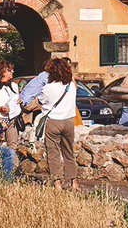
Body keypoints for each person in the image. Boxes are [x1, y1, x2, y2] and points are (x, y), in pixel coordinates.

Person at [39, 57, 79, 190]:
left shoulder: (48, 88)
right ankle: (73, 182)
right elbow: (74, 84)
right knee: (69, 152)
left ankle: (57, 183)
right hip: (68, 121)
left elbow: (41, 101)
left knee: (53, 153)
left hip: (53, 121)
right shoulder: (71, 86)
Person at [0, 61, 22, 149]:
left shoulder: (14, 86)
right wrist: (0, 109)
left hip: (12, 120)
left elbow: (17, 100)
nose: (12, 72)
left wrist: (20, 101)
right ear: (2, 71)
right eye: (9, 70)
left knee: (13, 145)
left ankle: (13, 162)